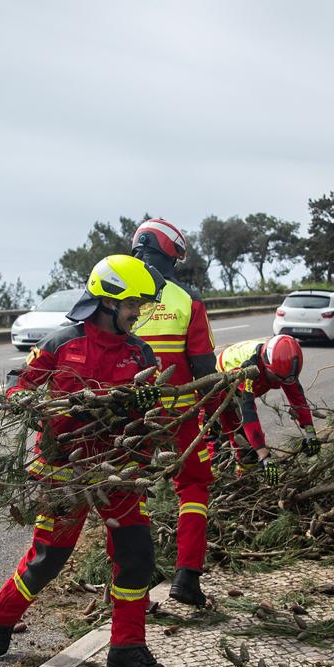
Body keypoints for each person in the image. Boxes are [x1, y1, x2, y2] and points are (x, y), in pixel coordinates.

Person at [0, 255, 169, 667]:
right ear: (107, 302)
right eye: (133, 305)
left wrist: (145, 409)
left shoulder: (140, 354)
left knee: (136, 555)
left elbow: (152, 414)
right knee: (50, 558)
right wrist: (24, 401)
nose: (138, 314)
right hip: (64, 471)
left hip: (117, 472)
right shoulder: (60, 344)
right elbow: (19, 384)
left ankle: (126, 648)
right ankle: (2, 613)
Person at [130, 218, 218, 608]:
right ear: (171, 253)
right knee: (194, 487)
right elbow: (205, 371)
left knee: (130, 494)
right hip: (179, 418)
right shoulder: (187, 300)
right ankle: (187, 577)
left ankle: (136, 587)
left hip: (127, 419)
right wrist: (213, 419)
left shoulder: (117, 290)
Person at [215, 334, 319, 483]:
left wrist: (310, 433)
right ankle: (224, 485)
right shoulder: (249, 370)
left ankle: (246, 480)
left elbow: (297, 397)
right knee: (232, 446)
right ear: (266, 364)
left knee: (249, 451)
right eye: (277, 378)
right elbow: (248, 413)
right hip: (220, 387)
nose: (280, 382)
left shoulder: (283, 364)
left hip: (240, 386)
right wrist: (264, 455)